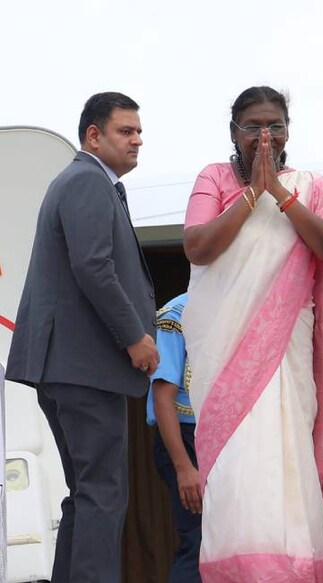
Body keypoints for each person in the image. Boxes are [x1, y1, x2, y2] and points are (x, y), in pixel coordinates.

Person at [180, 86, 323, 582]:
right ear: (233, 132)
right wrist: (252, 195)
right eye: (254, 126)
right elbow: (197, 246)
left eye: (275, 125)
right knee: (240, 473)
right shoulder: (214, 178)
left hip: (286, 349)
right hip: (226, 353)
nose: (265, 135)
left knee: (285, 460)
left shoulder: (309, 186)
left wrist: (280, 194)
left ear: (288, 131)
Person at [4, 91, 158, 583]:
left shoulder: (82, 181)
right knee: (103, 493)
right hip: (83, 368)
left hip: (68, 367)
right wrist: (135, 335)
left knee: (88, 492)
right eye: (125, 131)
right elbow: (93, 266)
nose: (137, 140)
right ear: (94, 135)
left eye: (138, 131)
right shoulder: (88, 181)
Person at [147, 292, 202, 583]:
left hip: (223, 439)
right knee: (199, 540)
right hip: (185, 437)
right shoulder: (176, 314)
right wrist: (184, 467)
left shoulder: (236, 306)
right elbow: (162, 397)